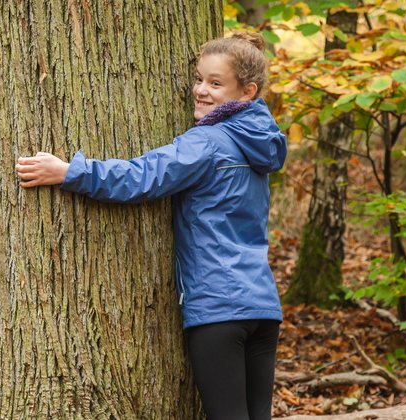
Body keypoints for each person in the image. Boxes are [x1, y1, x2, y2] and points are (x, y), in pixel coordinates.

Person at [15, 33, 286, 420]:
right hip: (262, 308)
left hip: (218, 308)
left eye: (214, 83)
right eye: (198, 79)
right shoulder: (261, 144)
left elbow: (143, 177)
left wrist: (70, 172)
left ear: (246, 93)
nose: (200, 91)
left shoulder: (207, 142)